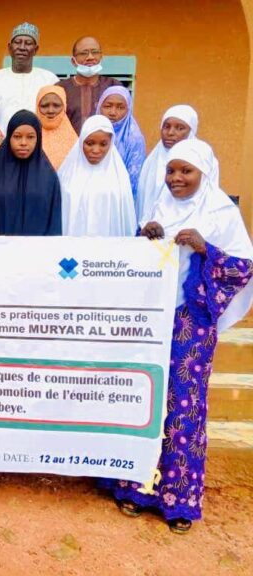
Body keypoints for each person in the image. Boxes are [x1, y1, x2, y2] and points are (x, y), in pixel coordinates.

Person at [111, 139, 253, 534]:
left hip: (193, 322)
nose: (176, 179)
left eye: (186, 171)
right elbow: (141, 261)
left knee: (184, 406)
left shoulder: (222, 212)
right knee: (145, 398)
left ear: (203, 173)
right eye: (172, 171)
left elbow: (243, 267)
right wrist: (146, 234)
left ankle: (179, 500)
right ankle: (135, 487)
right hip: (153, 317)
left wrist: (207, 249)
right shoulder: (159, 204)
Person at [0, 111, 61, 236]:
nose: (23, 143)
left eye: (30, 137)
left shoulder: (49, 177)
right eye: (17, 136)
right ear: (9, 137)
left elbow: (54, 222)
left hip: (39, 251)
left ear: (38, 139)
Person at [136, 105, 219, 223]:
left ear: (191, 131)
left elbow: (209, 200)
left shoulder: (203, 159)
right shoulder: (152, 161)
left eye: (180, 128)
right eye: (166, 126)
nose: (170, 133)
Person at [58, 115, 136, 236]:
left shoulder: (120, 179)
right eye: (89, 143)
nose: (95, 150)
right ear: (81, 141)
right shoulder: (66, 176)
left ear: (111, 144)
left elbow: (126, 223)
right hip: (72, 250)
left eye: (103, 144)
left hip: (108, 251)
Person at [0, 22, 59, 133]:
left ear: (36, 49)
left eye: (28, 43)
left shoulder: (49, 79)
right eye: (17, 42)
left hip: (40, 143)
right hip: (1, 143)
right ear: (10, 48)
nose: (22, 47)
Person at [56, 37, 122, 133]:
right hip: (68, 146)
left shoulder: (113, 86)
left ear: (101, 57)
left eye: (95, 52)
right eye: (83, 53)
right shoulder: (60, 88)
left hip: (106, 145)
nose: (90, 57)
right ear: (73, 61)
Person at [96, 86, 146, 198]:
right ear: (99, 107)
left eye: (120, 108)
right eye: (108, 106)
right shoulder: (90, 131)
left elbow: (134, 179)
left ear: (128, 110)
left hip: (120, 198)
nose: (113, 112)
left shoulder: (134, 139)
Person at [36, 86, 78, 170]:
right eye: (45, 106)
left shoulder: (74, 141)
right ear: (37, 107)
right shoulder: (29, 134)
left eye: (56, 105)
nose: (50, 110)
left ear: (64, 107)